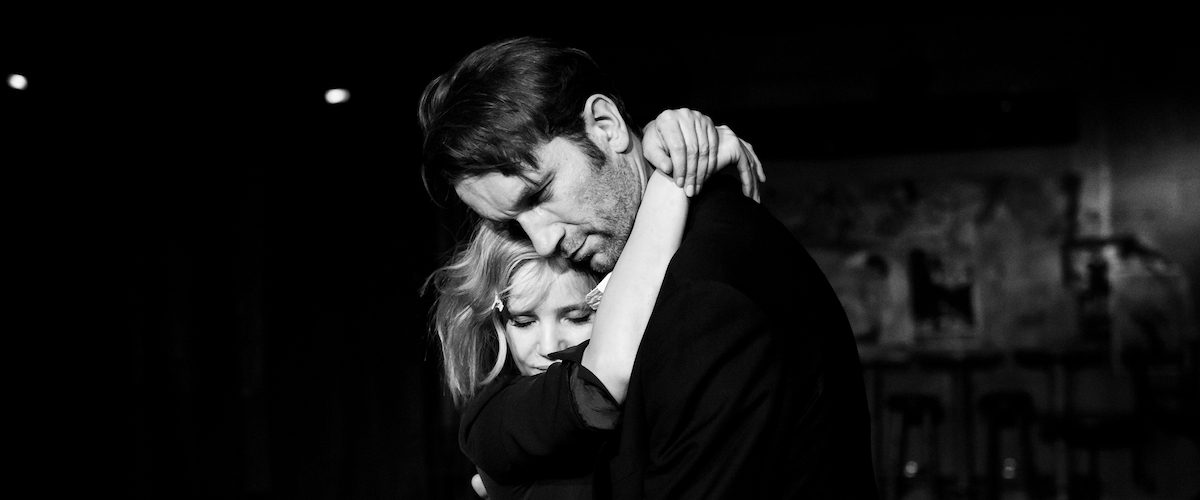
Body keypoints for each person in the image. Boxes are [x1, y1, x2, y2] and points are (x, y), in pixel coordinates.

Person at [420, 36, 877, 499]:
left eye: (539, 194)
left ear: (606, 125)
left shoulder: (702, 298)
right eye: (510, 223)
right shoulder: (642, 259)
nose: (542, 242)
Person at [428, 111, 761, 499]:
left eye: (577, 316)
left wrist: (673, 145)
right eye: (522, 321)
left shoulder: (668, 379)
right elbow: (598, 387)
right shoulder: (489, 420)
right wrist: (673, 171)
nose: (547, 347)